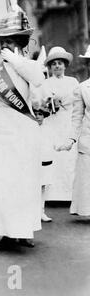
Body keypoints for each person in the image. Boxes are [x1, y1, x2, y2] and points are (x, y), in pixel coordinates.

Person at [0, 10, 45, 249]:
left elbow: (38, 81)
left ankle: (23, 230)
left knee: (24, 182)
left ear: (20, 43)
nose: (4, 46)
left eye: (10, 41)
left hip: (23, 131)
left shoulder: (28, 65)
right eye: (2, 42)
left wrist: (15, 60)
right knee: (2, 181)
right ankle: (5, 232)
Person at [39, 47, 80, 220]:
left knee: (70, 159)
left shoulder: (73, 82)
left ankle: (70, 196)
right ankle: (50, 196)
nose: (57, 66)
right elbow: (40, 104)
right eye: (54, 64)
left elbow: (78, 103)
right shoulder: (45, 83)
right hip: (52, 123)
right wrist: (48, 105)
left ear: (65, 65)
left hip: (68, 121)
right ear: (49, 67)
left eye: (60, 63)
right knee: (53, 157)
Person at [59, 45, 90, 217]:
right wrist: (71, 139)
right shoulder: (83, 88)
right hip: (88, 140)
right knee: (87, 180)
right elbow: (77, 117)